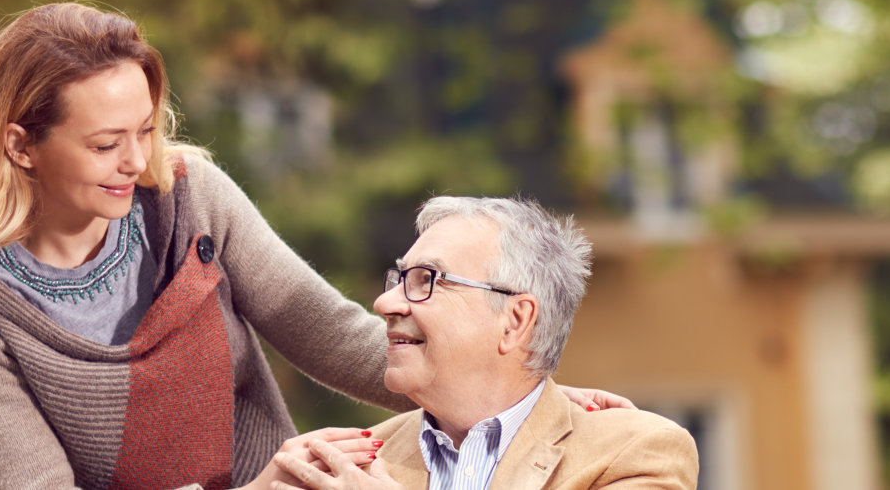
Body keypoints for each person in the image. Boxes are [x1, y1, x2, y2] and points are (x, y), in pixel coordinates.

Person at [0, 3, 632, 490]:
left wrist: (523, 398)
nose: (135, 159)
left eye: (145, 129)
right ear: (22, 145)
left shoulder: (190, 196)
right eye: (105, 143)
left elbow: (327, 331)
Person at [266, 197, 698, 490]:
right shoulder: (345, 464)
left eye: (426, 280)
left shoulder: (633, 451)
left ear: (514, 320)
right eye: (399, 279)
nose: (384, 302)